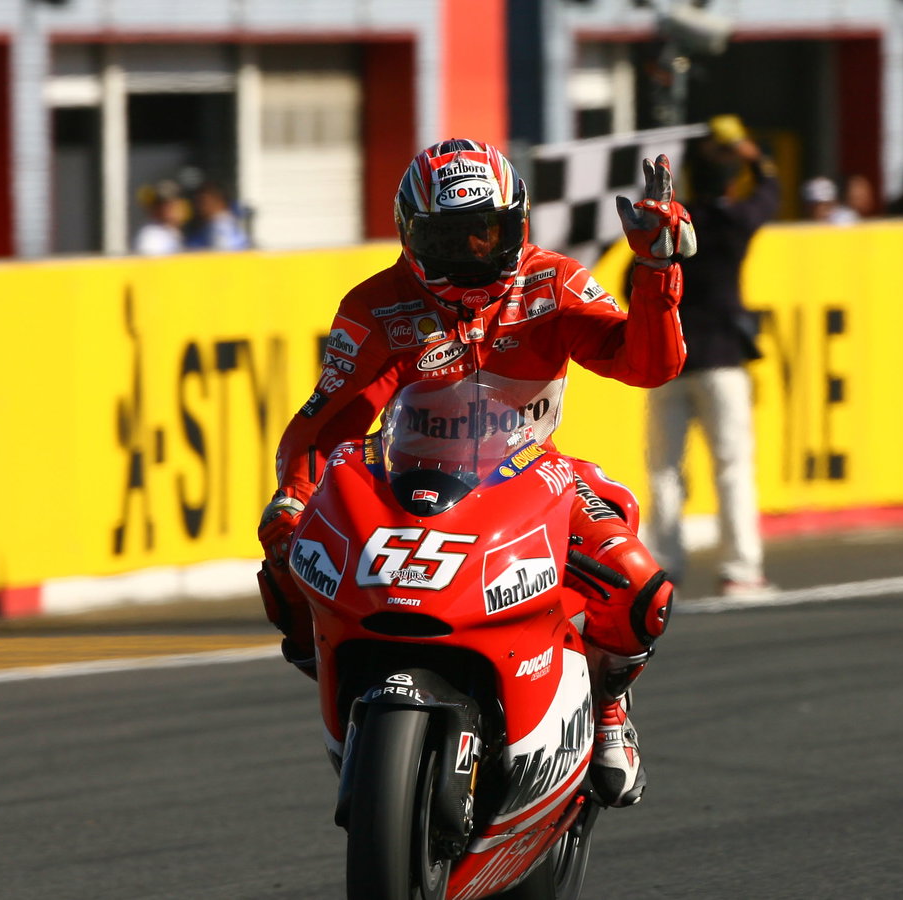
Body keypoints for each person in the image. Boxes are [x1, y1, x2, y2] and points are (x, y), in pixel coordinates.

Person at [255, 139, 695, 809]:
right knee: (284, 541)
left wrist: (656, 270)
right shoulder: (378, 305)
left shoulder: (553, 282)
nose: (471, 253)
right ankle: (333, 666)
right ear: (411, 234)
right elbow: (329, 423)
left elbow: (647, 366)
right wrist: (292, 500)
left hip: (530, 475)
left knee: (642, 591)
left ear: (517, 224)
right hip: (401, 483)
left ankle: (609, 706)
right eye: (450, 237)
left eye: (486, 231)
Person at [646, 126, 777, 597]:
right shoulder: (734, 221)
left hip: (672, 359)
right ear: (729, 182)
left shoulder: (674, 227)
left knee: (664, 467)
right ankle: (742, 569)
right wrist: (756, 156)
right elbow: (770, 195)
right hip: (722, 359)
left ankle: (662, 564)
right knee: (733, 466)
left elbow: (630, 279)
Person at [185, 181, 251, 251]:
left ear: (220, 199)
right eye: (199, 202)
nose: (201, 206)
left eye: (206, 201)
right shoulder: (202, 233)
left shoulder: (240, 221)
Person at [133, 180, 186, 255]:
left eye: (173, 203)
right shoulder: (151, 236)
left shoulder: (172, 230)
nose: (171, 208)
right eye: (164, 205)